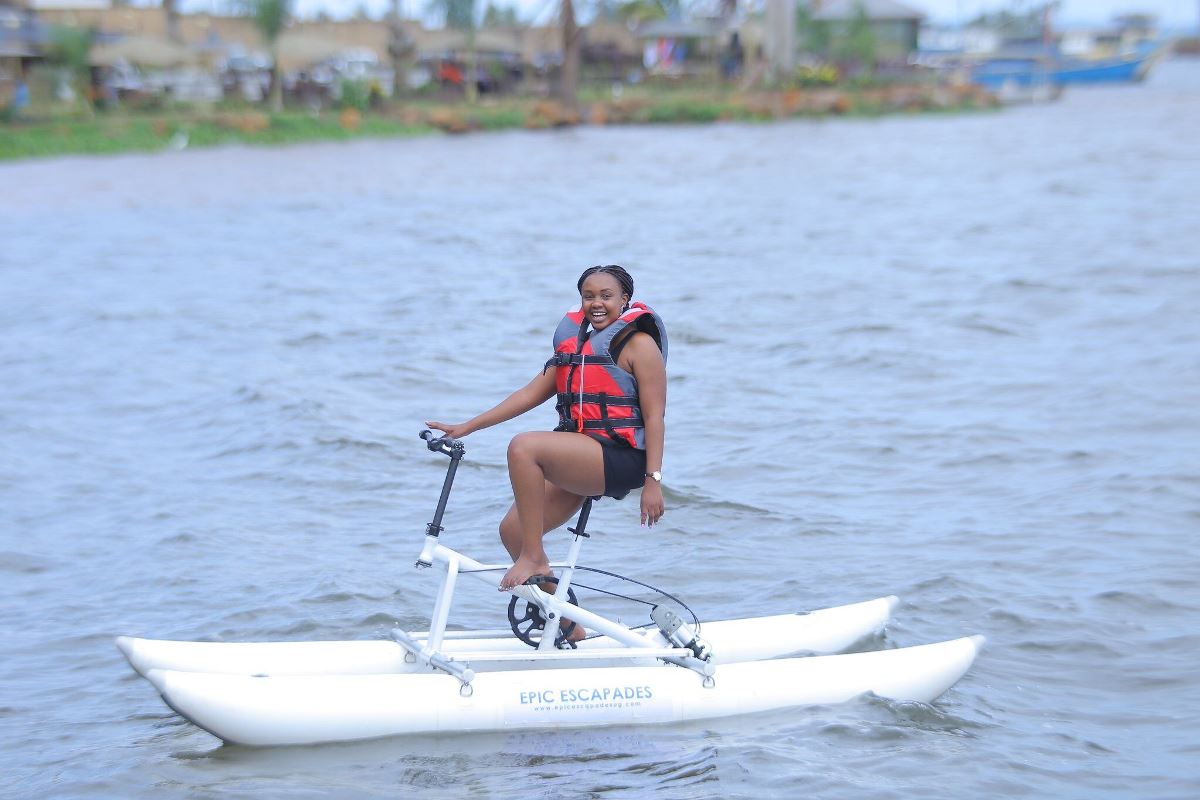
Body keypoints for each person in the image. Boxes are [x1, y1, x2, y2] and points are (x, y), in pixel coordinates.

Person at [426, 265, 667, 639]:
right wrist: (468, 426)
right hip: (580, 453)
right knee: (512, 531)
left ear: (625, 300)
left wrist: (653, 481)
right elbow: (527, 395)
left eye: (606, 296)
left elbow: (654, 417)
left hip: (621, 459)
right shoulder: (576, 344)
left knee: (525, 447)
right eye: (589, 296)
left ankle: (534, 558)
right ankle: (568, 624)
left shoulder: (639, 345)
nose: (597, 303)